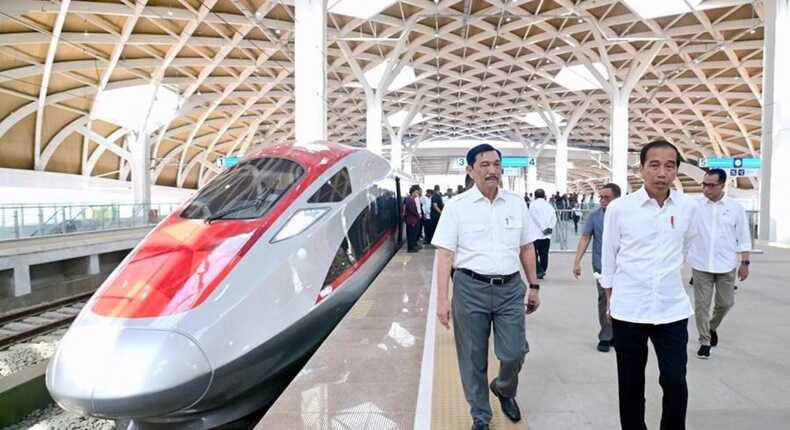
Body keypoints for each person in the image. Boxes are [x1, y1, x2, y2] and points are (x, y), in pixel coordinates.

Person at [432, 143, 542, 430]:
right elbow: (444, 255)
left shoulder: (517, 203)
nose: (492, 170)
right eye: (484, 165)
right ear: (470, 171)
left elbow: (527, 247)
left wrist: (534, 286)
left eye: (496, 164)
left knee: (514, 352)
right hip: (470, 289)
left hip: (510, 289)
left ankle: (504, 389)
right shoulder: (456, 207)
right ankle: (480, 415)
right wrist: (442, 300)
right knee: (472, 357)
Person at [601, 140, 698, 430]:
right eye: (654, 165)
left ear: (676, 171)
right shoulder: (620, 208)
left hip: (671, 309)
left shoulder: (687, 207)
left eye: (669, 166)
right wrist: (610, 300)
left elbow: (688, 244)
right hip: (629, 309)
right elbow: (609, 256)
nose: (661, 173)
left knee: (675, 380)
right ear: (641, 168)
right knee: (631, 384)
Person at [688, 168, 751, 359]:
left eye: (711, 185)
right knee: (701, 306)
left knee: (726, 303)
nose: (706, 189)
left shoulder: (735, 208)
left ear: (722, 185)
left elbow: (743, 236)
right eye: (704, 184)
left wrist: (745, 262)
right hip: (700, 264)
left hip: (726, 264)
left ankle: (712, 327)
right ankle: (704, 341)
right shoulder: (695, 206)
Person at [572, 183, 621, 352]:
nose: (603, 200)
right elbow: (585, 238)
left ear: (617, 198)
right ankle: (606, 336)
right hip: (601, 265)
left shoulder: (626, 216)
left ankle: (619, 334)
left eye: (607, 197)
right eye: (601, 197)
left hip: (624, 266)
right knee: (604, 299)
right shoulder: (594, 216)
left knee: (621, 299)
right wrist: (577, 261)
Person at [528, 189, 556, 279]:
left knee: (533, 254)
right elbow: (554, 218)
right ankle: (542, 270)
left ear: (535, 196)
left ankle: (539, 270)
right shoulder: (549, 206)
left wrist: (543, 228)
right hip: (547, 235)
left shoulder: (533, 205)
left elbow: (535, 218)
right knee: (544, 253)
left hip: (535, 235)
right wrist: (550, 228)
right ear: (544, 196)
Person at [404, 185, 421, 252]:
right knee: (412, 234)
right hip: (412, 220)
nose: (417, 194)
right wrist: (418, 215)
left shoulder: (410, 199)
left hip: (412, 220)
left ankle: (413, 246)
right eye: (416, 192)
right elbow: (413, 210)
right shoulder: (410, 200)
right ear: (412, 192)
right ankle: (411, 248)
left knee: (413, 234)